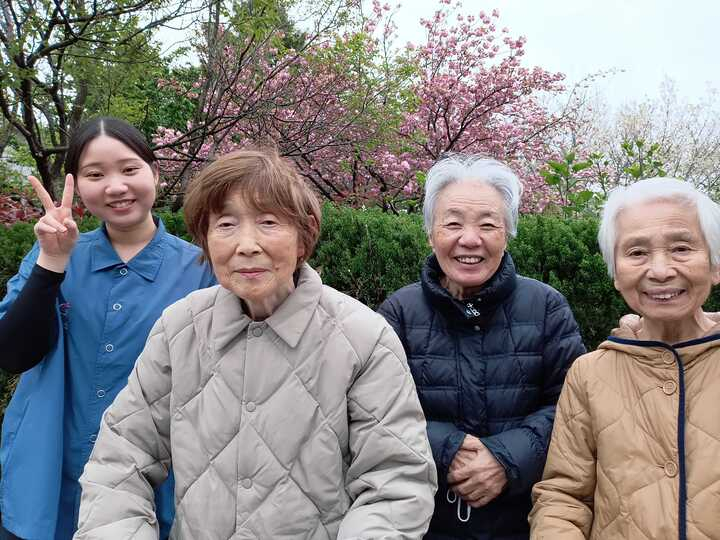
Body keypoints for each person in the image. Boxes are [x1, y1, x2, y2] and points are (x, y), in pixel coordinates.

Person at [72, 147, 437, 539]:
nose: (246, 244)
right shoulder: (179, 328)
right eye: (226, 224)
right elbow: (120, 458)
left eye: (268, 222)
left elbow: (394, 482)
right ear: (205, 239)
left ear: (303, 237)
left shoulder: (363, 338)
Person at [0, 117, 216, 540]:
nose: (116, 187)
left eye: (129, 169)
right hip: (44, 475)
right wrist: (51, 264)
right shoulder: (52, 254)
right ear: (77, 185)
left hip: (154, 480)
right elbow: (13, 354)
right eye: (95, 175)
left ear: (155, 172)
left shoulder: (200, 269)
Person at [378, 154, 585, 539]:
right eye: (453, 223)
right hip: (423, 523)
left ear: (507, 233)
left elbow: (573, 406)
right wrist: (447, 449)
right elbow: (378, 410)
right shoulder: (399, 312)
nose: (470, 239)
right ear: (430, 234)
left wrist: (506, 458)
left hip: (526, 522)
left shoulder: (546, 307)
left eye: (488, 224)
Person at [529, 177, 720, 539]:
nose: (660, 271)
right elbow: (564, 497)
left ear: (714, 265)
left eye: (681, 248)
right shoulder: (589, 374)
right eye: (637, 253)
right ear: (616, 273)